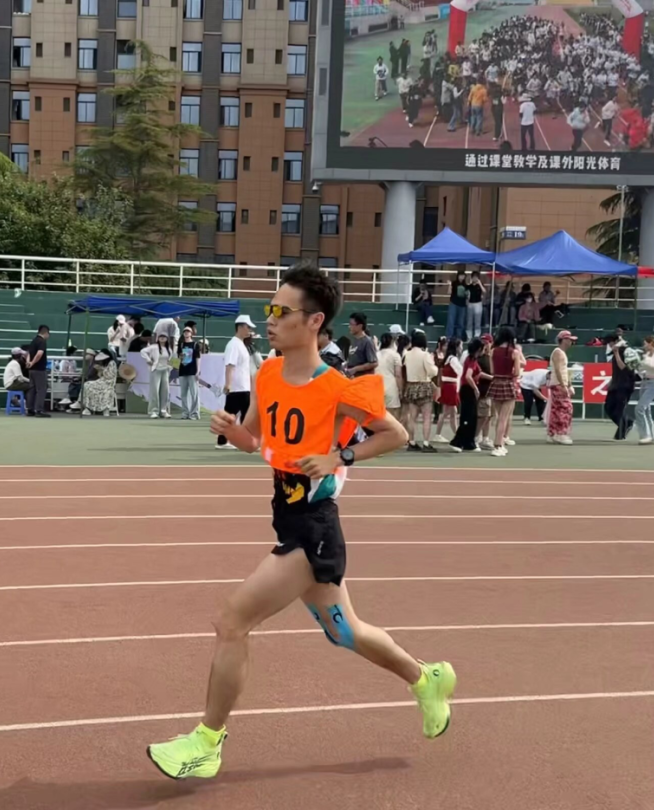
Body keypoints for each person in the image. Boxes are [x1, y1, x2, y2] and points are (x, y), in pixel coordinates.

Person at [146, 263, 455, 781]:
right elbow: (254, 441)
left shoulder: (337, 386)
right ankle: (426, 679)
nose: (269, 319)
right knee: (345, 631)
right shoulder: (268, 374)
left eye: (280, 311)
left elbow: (396, 434)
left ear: (313, 322)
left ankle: (207, 742)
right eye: (269, 309)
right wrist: (231, 431)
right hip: (286, 515)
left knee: (232, 621)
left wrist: (339, 457)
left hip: (313, 529)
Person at [217, 315, 255, 448]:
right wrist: (228, 384)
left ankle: (239, 440)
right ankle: (224, 441)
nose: (250, 330)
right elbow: (230, 365)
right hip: (236, 387)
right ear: (240, 327)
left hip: (243, 387)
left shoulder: (241, 344)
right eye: (248, 327)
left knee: (243, 415)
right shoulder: (233, 344)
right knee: (232, 415)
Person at [401, 330, 439, 453]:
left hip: (411, 386)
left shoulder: (407, 354)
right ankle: (426, 443)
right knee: (427, 417)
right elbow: (432, 371)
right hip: (423, 385)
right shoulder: (425, 355)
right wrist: (434, 365)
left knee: (412, 417)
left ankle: (411, 442)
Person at [488, 327, 521, 458]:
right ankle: (498, 445)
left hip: (495, 383)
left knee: (498, 417)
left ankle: (499, 444)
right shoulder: (515, 352)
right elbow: (517, 372)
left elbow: (492, 371)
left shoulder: (493, 351)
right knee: (504, 418)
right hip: (508, 384)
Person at [448, 338, 485, 453]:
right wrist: (475, 388)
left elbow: (478, 374)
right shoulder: (472, 360)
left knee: (471, 417)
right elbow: (468, 376)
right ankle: (457, 441)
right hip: (468, 390)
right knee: (467, 417)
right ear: (479, 349)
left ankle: (468, 442)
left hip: (467, 389)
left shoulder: (471, 359)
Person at [604, 332, 636, 441]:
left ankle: (621, 432)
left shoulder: (628, 351)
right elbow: (616, 370)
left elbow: (624, 368)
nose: (609, 345)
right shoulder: (614, 353)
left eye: (610, 342)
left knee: (619, 410)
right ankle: (628, 423)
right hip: (615, 384)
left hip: (626, 385)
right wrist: (610, 381)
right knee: (608, 407)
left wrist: (616, 353)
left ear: (616, 341)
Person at [547, 330, 575, 445]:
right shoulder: (558, 352)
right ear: (563, 340)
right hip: (558, 384)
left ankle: (553, 433)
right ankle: (560, 433)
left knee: (557, 409)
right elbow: (558, 370)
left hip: (558, 383)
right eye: (569, 339)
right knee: (565, 409)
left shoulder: (560, 352)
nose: (571, 342)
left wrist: (569, 385)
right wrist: (563, 385)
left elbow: (564, 370)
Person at [434, 337, 462, 442]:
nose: (461, 348)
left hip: (448, 386)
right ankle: (455, 435)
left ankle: (455, 434)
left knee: (452, 412)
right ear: (456, 347)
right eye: (460, 346)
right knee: (447, 412)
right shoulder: (453, 359)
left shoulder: (448, 358)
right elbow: (461, 371)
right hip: (451, 387)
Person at [141, 332, 173, 419]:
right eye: (160, 337)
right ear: (158, 338)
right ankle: (153, 411)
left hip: (165, 370)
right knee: (154, 391)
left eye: (164, 337)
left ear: (167, 339)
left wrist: (171, 366)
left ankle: (163, 410)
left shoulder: (169, 349)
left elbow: (171, 359)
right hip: (156, 370)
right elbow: (143, 351)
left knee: (165, 391)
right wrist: (148, 360)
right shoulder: (154, 347)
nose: (162, 338)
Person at [375, 332, 403, 420]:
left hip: (377, 387)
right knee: (391, 417)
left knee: (378, 416)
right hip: (391, 388)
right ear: (392, 341)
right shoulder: (395, 355)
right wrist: (400, 389)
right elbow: (398, 375)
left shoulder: (376, 354)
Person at [177, 325, 202, 420]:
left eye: (188, 331)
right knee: (183, 394)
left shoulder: (195, 345)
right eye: (185, 331)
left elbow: (198, 358)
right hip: (182, 371)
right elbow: (178, 358)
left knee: (194, 393)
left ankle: (194, 413)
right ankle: (185, 413)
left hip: (192, 371)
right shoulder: (181, 345)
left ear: (191, 333)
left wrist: (197, 371)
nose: (186, 333)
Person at [26, 325, 51, 418]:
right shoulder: (42, 341)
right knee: (41, 389)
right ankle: (39, 410)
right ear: (46, 333)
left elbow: (29, 353)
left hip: (31, 370)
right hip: (39, 369)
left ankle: (30, 409)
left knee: (32, 389)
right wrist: (33, 362)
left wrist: (29, 362)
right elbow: (39, 354)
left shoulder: (33, 341)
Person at [345, 312, 377, 377]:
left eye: (351, 324)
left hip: (363, 379)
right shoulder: (352, 340)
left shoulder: (367, 341)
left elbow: (374, 363)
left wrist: (355, 369)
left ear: (360, 326)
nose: (349, 327)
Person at [446, 270, 468, 340]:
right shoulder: (454, 283)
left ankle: (459, 337)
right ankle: (449, 337)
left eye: (463, 276)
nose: (462, 277)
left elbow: (467, 296)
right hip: (453, 303)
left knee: (461, 322)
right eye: (460, 275)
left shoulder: (466, 285)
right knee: (451, 321)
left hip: (462, 305)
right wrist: (449, 285)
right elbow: (449, 292)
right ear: (458, 276)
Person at [465, 271, 485, 340]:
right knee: (469, 321)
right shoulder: (469, 286)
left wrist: (480, 284)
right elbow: (466, 294)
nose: (475, 279)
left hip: (478, 303)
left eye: (476, 277)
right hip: (470, 304)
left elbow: (484, 291)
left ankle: (477, 336)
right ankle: (469, 336)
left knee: (477, 321)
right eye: (473, 277)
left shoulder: (480, 285)